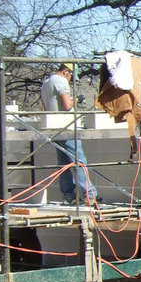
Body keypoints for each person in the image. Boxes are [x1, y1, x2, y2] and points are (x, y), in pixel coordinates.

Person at [41, 63, 98, 206]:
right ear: (66, 71)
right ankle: (89, 195)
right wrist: (76, 100)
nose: (71, 78)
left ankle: (69, 196)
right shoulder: (60, 81)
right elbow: (67, 105)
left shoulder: (46, 83)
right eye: (71, 75)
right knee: (79, 161)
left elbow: (45, 106)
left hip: (54, 127)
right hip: (66, 127)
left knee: (64, 163)